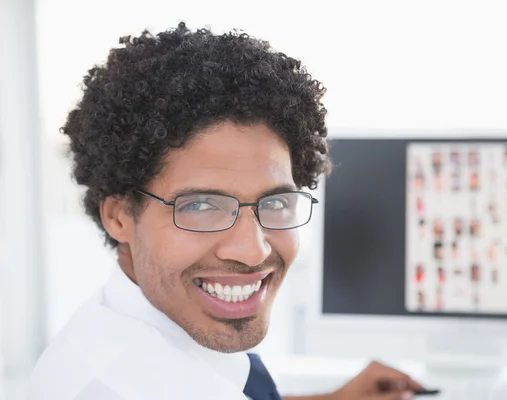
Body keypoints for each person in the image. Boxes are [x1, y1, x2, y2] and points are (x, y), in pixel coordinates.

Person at [29, 23, 423, 400]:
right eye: (200, 206)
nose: (252, 251)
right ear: (119, 216)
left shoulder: (130, 332)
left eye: (276, 203)